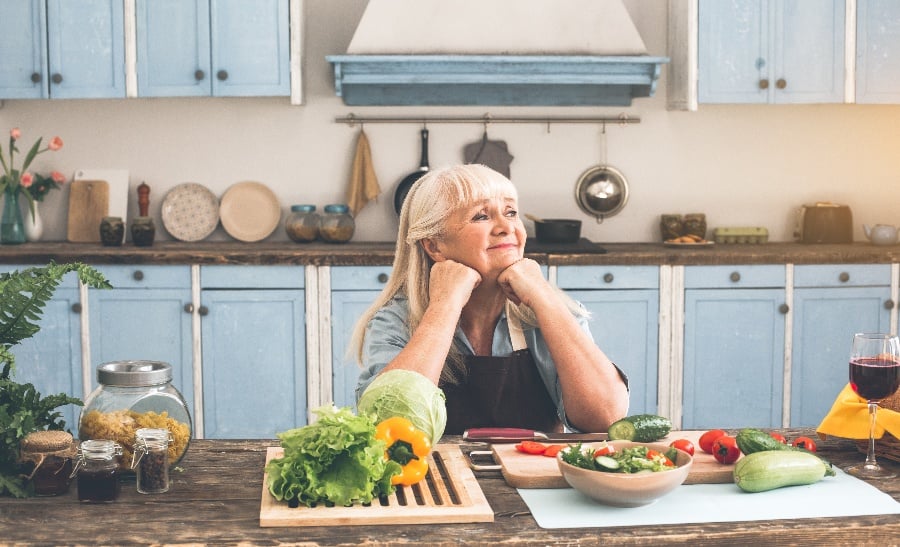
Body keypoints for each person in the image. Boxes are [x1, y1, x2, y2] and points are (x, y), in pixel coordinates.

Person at [351, 164, 629, 434]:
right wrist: (444, 305)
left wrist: (544, 296)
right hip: (434, 479)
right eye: (481, 216)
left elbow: (606, 418)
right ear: (434, 246)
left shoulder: (549, 312)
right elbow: (390, 426)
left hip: (533, 478)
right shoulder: (395, 321)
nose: (506, 228)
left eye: (511, 212)